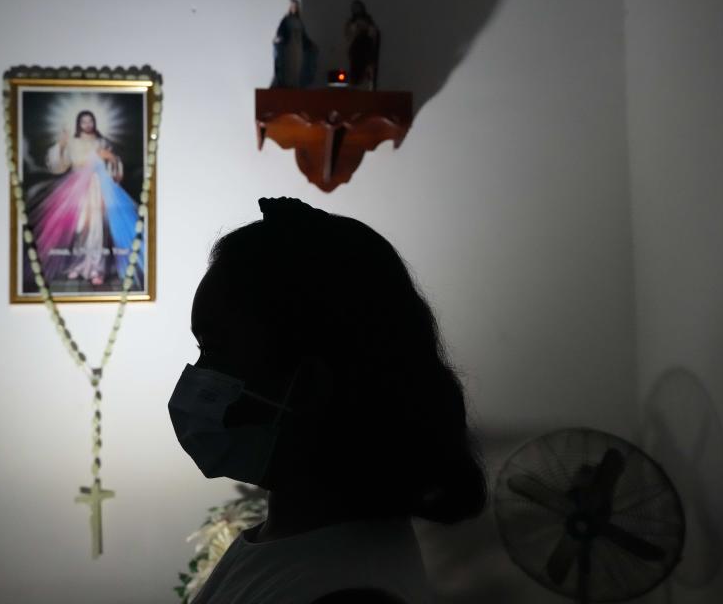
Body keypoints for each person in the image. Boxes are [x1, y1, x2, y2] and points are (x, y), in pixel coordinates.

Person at [169, 197, 487, 603]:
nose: (199, 378)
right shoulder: (286, 538)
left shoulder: (349, 590)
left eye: (215, 351)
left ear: (310, 385)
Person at [29, 110, 141, 287]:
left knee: (96, 229)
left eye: (90, 121)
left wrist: (111, 159)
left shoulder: (101, 141)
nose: (87, 124)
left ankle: (96, 269)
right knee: (79, 228)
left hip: (97, 189)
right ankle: (79, 264)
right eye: (83, 121)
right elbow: (59, 165)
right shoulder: (72, 142)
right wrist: (62, 144)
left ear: (94, 122)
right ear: (78, 124)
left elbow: (113, 165)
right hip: (75, 188)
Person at [271, 0, 318, 88]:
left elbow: (303, 36)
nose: (294, 8)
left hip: (297, 47)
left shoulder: (299, 21)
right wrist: (280, 38)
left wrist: (310, 43)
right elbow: (281, 32)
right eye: (292, 6)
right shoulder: (286, 20)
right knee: (289, 64)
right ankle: (287, 83)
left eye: (295, 6)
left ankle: (294, 83)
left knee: (297, 65)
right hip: (289, 47)